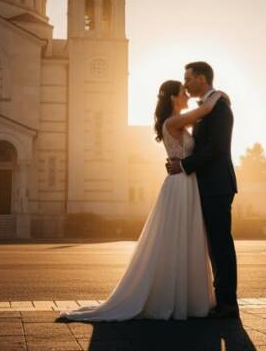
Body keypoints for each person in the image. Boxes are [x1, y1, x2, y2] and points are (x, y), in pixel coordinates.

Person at [60, 79, 224, 321]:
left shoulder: (177, 122)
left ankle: (184, 298)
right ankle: (174, 299)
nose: (187, 95)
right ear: (172, 98)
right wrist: (219, 95)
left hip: (186, 181)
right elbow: (206, 110)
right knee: (177, 238)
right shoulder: (173, 121)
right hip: (180, 185)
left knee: (183, 238)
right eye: (182, 93)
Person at [166, 61, 239, 319]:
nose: (185, 83)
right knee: (214, 246)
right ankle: (221, 302)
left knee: (220, 245)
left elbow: (217, 147)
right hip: (205, 185)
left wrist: (184, 164)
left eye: (188, 78)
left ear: (201, 78)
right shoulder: (208, 107)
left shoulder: (219, 107)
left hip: (217, 185)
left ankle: (228, 305)